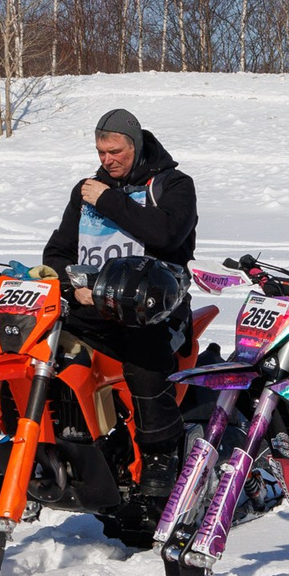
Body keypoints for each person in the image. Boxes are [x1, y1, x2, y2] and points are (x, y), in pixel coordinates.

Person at [41, 107, 199, 496]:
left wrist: (109, 201)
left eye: (116, 153)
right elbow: (57, 251)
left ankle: (161, 458)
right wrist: (70, 283)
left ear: (136, 145)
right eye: (101, 153)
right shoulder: (87, 192)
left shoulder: (174, 185)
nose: (108, 161)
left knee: (144, 359)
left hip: (155, 311)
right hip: (93, 306)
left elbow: (164, 235)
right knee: (38, 345)